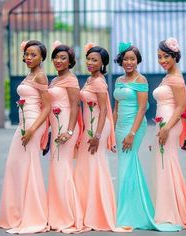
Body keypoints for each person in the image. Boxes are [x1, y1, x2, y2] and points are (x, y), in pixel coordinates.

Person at [113, 42, 181, 231]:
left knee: (127, 164)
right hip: (119, 127)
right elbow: (116, 107)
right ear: (121, 60)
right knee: (125, 166)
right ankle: (128, 209)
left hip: (134, 126)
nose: (129, 62)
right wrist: (112, 131)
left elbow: (142, 109)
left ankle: (128, 213)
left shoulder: (141, 80)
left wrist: (132, 134)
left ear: (137, 61)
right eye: (125, 59)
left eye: (132, 59)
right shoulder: (119, 80)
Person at [74, 43, 130, 232]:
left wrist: (97, 135)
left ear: (102, 63)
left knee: (95, 165)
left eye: (94, 60)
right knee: (86, 167)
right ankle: (87, 209)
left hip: (97, 126)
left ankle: (99, 212)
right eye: (88, 59)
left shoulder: (99, 82)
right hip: (90, 126)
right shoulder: (91, 79)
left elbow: (105, 108)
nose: (90, 62)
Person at [0, 40, 50, 234]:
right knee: (15, 165)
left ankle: (33, 214)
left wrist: (33, 129)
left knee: (28, 165)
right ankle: (16, 211)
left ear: (42, 57)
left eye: (33, 55)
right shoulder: (30, 75)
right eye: (27, 54)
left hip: (33, 123)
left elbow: (47, 107)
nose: (29, 57)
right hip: (23, 123)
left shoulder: (41, 76)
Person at [152, 38, 186, 228]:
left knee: (168, 163)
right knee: (164, 164)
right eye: (159, 57)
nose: (162, 60)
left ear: (175, 56)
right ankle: (168, 208)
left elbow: (182, 106)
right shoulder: (168, 76)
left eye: (166, 56)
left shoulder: (175, 78)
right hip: (163, 122)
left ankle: (174, 210)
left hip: (169, 123)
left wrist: (166, 128)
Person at [47, 42, 86, 233]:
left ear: (70, 61)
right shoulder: (54, 81)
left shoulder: (71, 80)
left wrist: (69, 132)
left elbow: (75, 106)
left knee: (63, 168)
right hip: (56, 128)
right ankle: (56, 212)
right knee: (56, 169)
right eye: (56, 57)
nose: (58, 60)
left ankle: (69, 214)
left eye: (63, 58)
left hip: (66, 128)